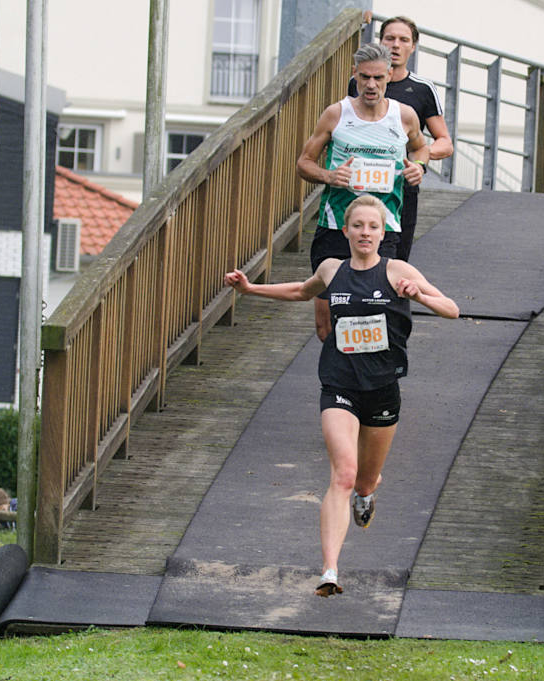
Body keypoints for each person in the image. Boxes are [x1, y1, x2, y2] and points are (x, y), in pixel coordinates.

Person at [224, 195, 459, 597]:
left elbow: (451, 309)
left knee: (365, 480)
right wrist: (250, 289)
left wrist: (418, 296)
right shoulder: (332, 270)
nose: (365, 233)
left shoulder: (398, 269)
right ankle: (329, 570)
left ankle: (367, 495)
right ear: (346, 231)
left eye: (373, 226)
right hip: (339, 384)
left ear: (383, 233)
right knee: (343, 474)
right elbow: (301, 291)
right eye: (358, 226)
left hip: (383, 388)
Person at [297, 43, 430, 342]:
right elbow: (304, 164)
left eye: (379, 78)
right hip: (335, 227)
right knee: (326, 325)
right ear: (354, 75)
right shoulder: (336, 114)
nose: (371, 85)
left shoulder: (404, 116)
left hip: (382, 230)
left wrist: (418, 166)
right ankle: (338, 380)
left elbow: (421, 147)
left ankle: (370, 382)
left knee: (377, 315)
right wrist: (329, 176)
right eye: (365, 77)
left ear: (390, 76)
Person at [349, 15, 454, 262]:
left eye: (403, 39)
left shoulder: (422, 88)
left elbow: (445, 142)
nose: (395, 45)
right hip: (360, 181)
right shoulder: (358, 83)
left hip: (401, 184)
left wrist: (416, 160)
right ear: (380, 41)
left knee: (396, 258)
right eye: (389, 38)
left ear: (413, 47)